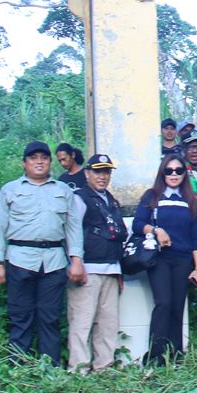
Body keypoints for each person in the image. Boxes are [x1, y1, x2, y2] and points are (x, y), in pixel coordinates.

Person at [0, 141, 87, 365]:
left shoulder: (63, 190)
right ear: (24, 163)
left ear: (50, 162)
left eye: (44, 157)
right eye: (33, 158)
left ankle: (49, 369)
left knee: (50, 317)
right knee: (20, 316)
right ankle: (17, 368)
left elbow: (73, 227)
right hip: (19, 258)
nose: (39, 161)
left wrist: (76, 260)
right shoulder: (11, 190)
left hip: (54, 261)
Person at [133, 157, 197, 365]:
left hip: (183, 259)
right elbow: (138, 223)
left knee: (177, 306)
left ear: (184, 173)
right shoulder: (153, 196)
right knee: (163, 303)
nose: (173, 174)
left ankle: (175, 356)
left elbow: (195, 237)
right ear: (162, 173)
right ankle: (156, 356)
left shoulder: (188, 200)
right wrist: (156, 230)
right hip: (160, 258)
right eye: (169, 170)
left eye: (178, 170)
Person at [66, 153, 125, 372]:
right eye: (98, 171)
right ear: (87, 173)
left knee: (108, 324)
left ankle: (104, 368)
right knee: (82, 322)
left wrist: (119, 272)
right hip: (87, 270)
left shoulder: (111, 200)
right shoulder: (79, 197)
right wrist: (75, 262)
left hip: (111, 269)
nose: (102, 176)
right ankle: (79, 371)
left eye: (106, 172)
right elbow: (72, 231)